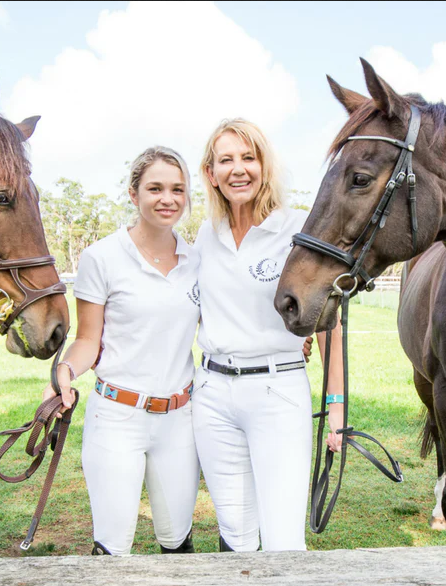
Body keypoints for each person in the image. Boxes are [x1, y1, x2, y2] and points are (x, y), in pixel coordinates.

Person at [192, 118, 345, 552]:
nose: (238, 169)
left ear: (264, 166)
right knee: (236, 535)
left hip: (277, 392)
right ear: (210, 173)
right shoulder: (206, 235)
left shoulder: (299, 230)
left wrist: (335, 406)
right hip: (213, 395)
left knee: (282, 540)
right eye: (226, 160)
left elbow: (329, 325)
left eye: (248, 158)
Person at [45, 146, 200, 556]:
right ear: (134, 194)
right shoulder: (101, 257)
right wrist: (64, 372)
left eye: (177, 189)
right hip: (117, 418)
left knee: (177, 541)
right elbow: (87, 340)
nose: (167, 199)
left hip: (180, 418)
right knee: (113, 547)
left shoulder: (198, 260)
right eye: (155, 188)